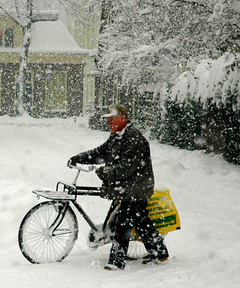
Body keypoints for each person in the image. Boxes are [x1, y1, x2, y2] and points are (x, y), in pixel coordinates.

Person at [67, 105, 169, 270]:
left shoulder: (133, 137)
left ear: (122, 118)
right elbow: (100, 152)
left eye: (111, 119)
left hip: (137, 188)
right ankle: (160, 253)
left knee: (122, 223)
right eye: (107, 120)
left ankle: (116, 261)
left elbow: (127, 166)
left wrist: (105, 172)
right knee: (141, 221)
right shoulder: (116, 136)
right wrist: (80, 158)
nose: (109, 123)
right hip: (127, 187)